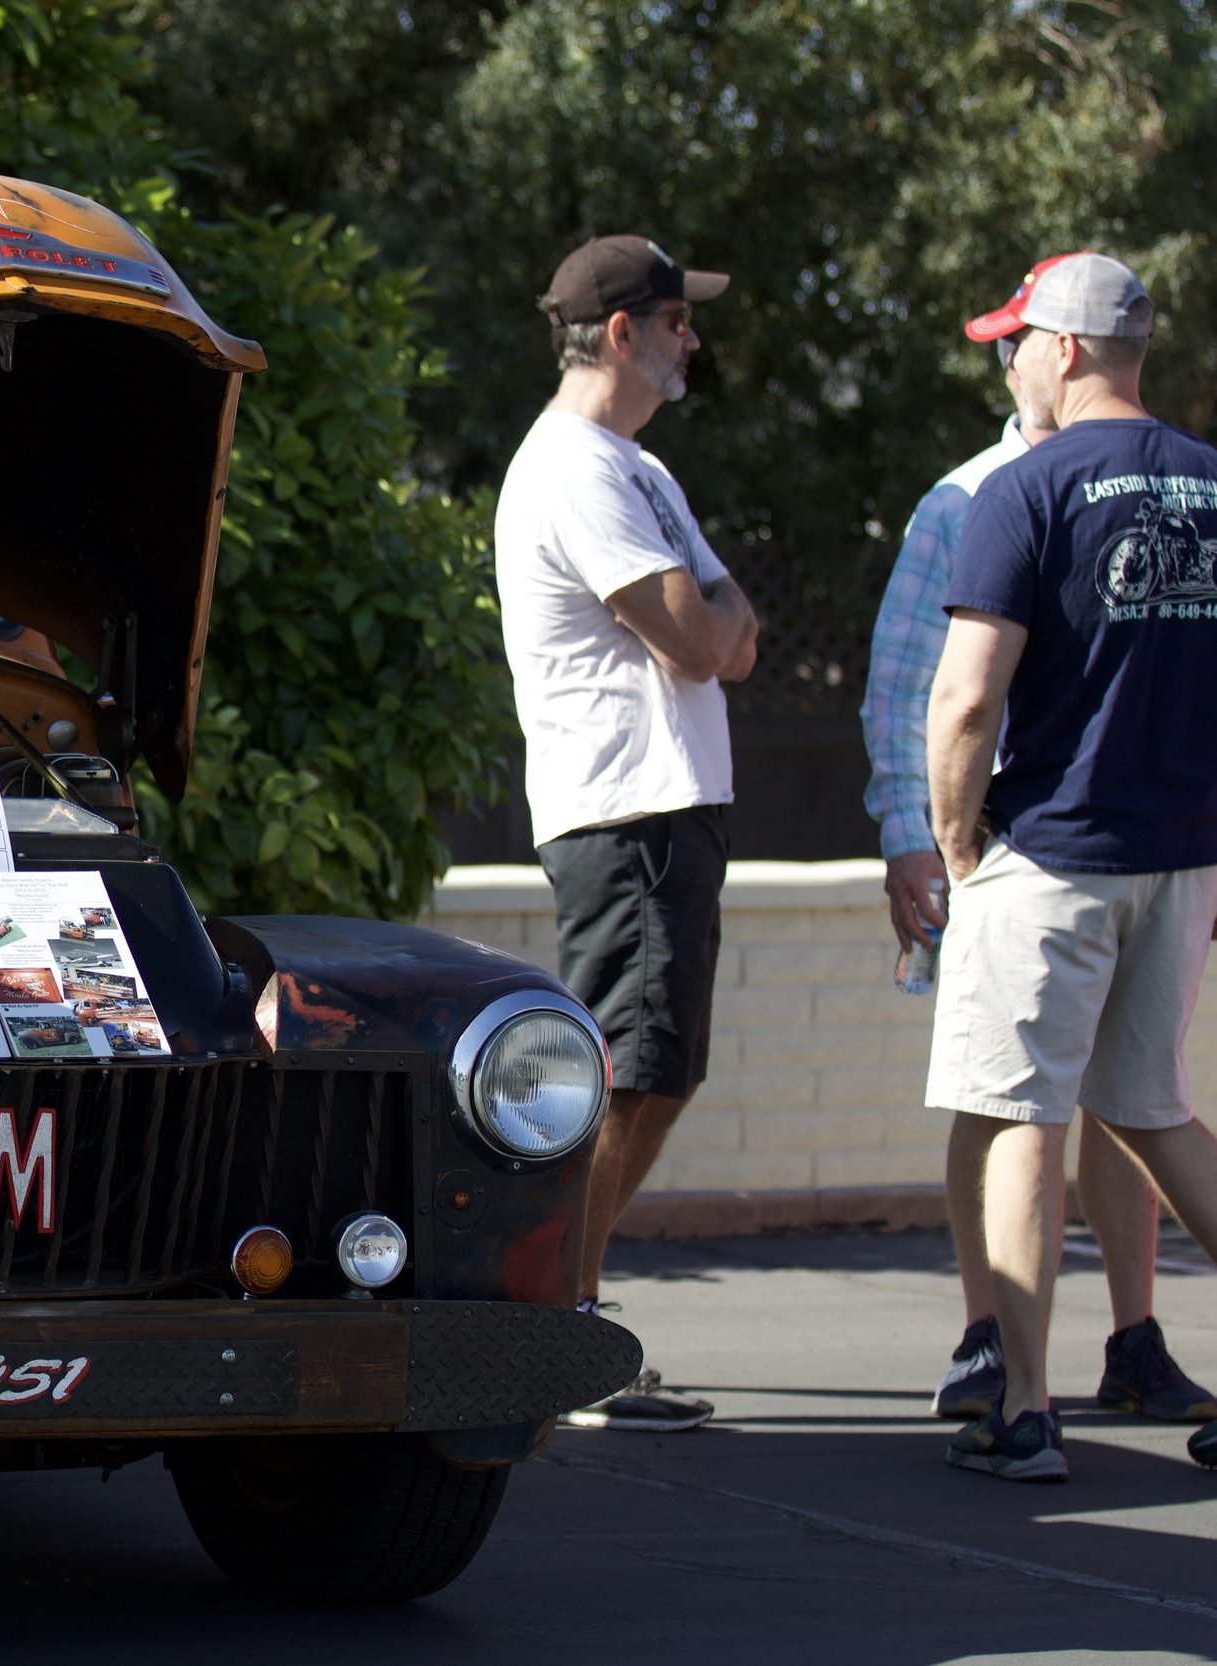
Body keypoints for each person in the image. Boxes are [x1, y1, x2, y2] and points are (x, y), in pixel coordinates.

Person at [863, 253, 1214, 1428]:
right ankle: (1103, 1357)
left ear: (1063, 351)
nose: (1008, 362)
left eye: (1016, 342)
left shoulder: (1021, 486)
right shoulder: (1210, 482)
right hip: (1177, 856)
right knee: (1154, 1109)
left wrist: (954, 840)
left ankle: (1020, 1409)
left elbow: (959, 699)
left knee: (1019, 1113)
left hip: (1051, 851)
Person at [494, 234, 759, 1433]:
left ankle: (568, 1318)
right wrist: (712, 612)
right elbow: (706, 642)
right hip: (627, 811)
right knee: (618, 1074)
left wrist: (713, 611)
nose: (688, 338)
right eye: (673, 319)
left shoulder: (636, 469)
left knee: (655, 1072)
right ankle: (561, 1333)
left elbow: (729, 628)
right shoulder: (577, 472)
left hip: (669, 810)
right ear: (619, 334)